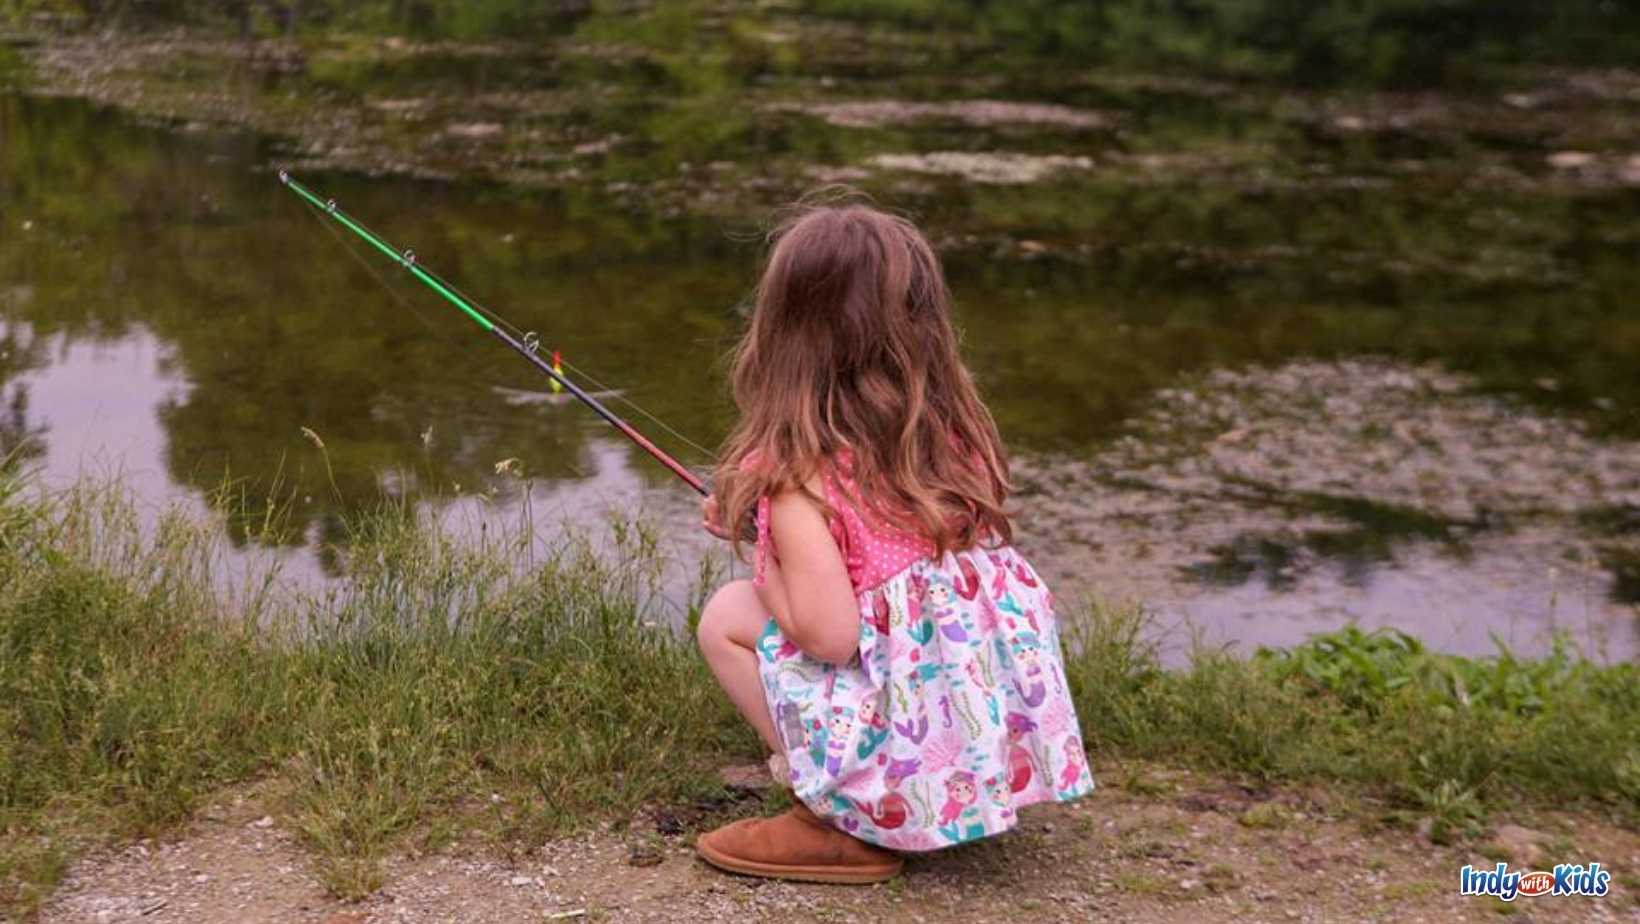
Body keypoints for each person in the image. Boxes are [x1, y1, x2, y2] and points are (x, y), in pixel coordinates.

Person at [694, 194, 1094, 884]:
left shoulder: (799, 479)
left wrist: (767, 554)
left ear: (783, 335)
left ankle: (837, 820)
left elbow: (829, 636)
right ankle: (946, 792)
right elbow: (883, 564)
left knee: (727, 616)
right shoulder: (947, 433)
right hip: (969, 719)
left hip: (905, 723)